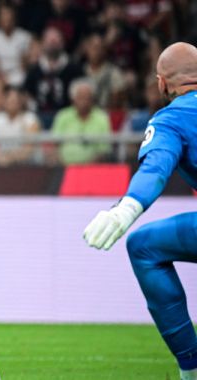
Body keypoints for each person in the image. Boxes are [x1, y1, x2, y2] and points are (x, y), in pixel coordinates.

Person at [83, 42, 197, 380]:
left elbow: (155, 169)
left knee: (143, 246)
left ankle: (191, 369)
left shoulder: (172, 118)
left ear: (162, 83)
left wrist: (124, 211)